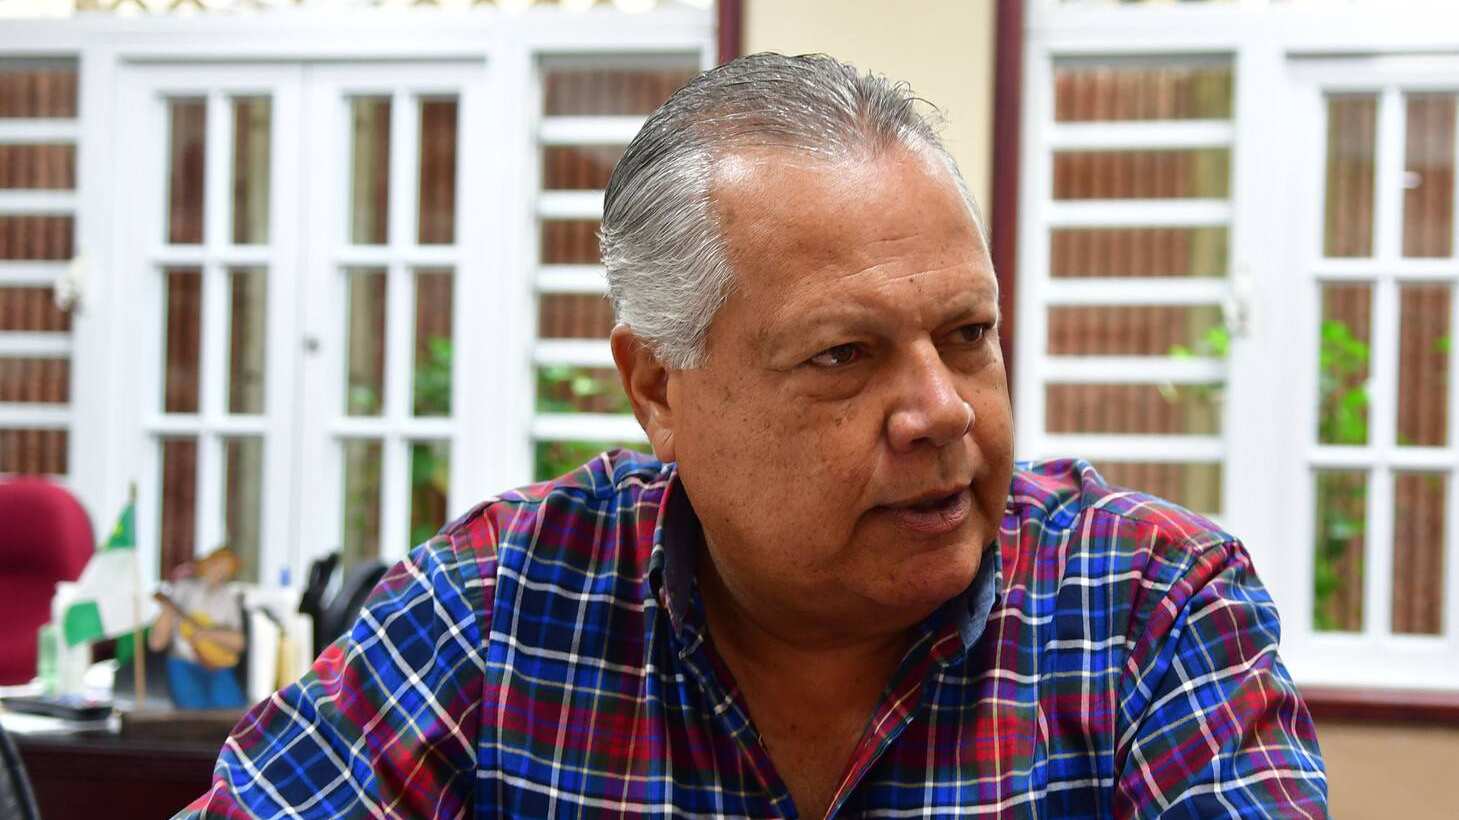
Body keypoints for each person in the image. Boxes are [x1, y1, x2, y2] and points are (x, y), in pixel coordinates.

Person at [179, 53, 1326, 817]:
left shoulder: (1148, 608)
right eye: (843, 354)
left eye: (967, 333)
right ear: (657, 390)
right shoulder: (497, 607)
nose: (943, 410)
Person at [149, 546, 247, 710]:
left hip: (218, 665)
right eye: (217, 564)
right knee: (193, 710)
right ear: (206, 564)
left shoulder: (229, 597)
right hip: (184, 663)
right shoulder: (183, 589)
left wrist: (208, 634)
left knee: (231, 707)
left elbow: (239, 642)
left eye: (227, 567)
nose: (221, 571)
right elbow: (156, 643)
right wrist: (168, 609)